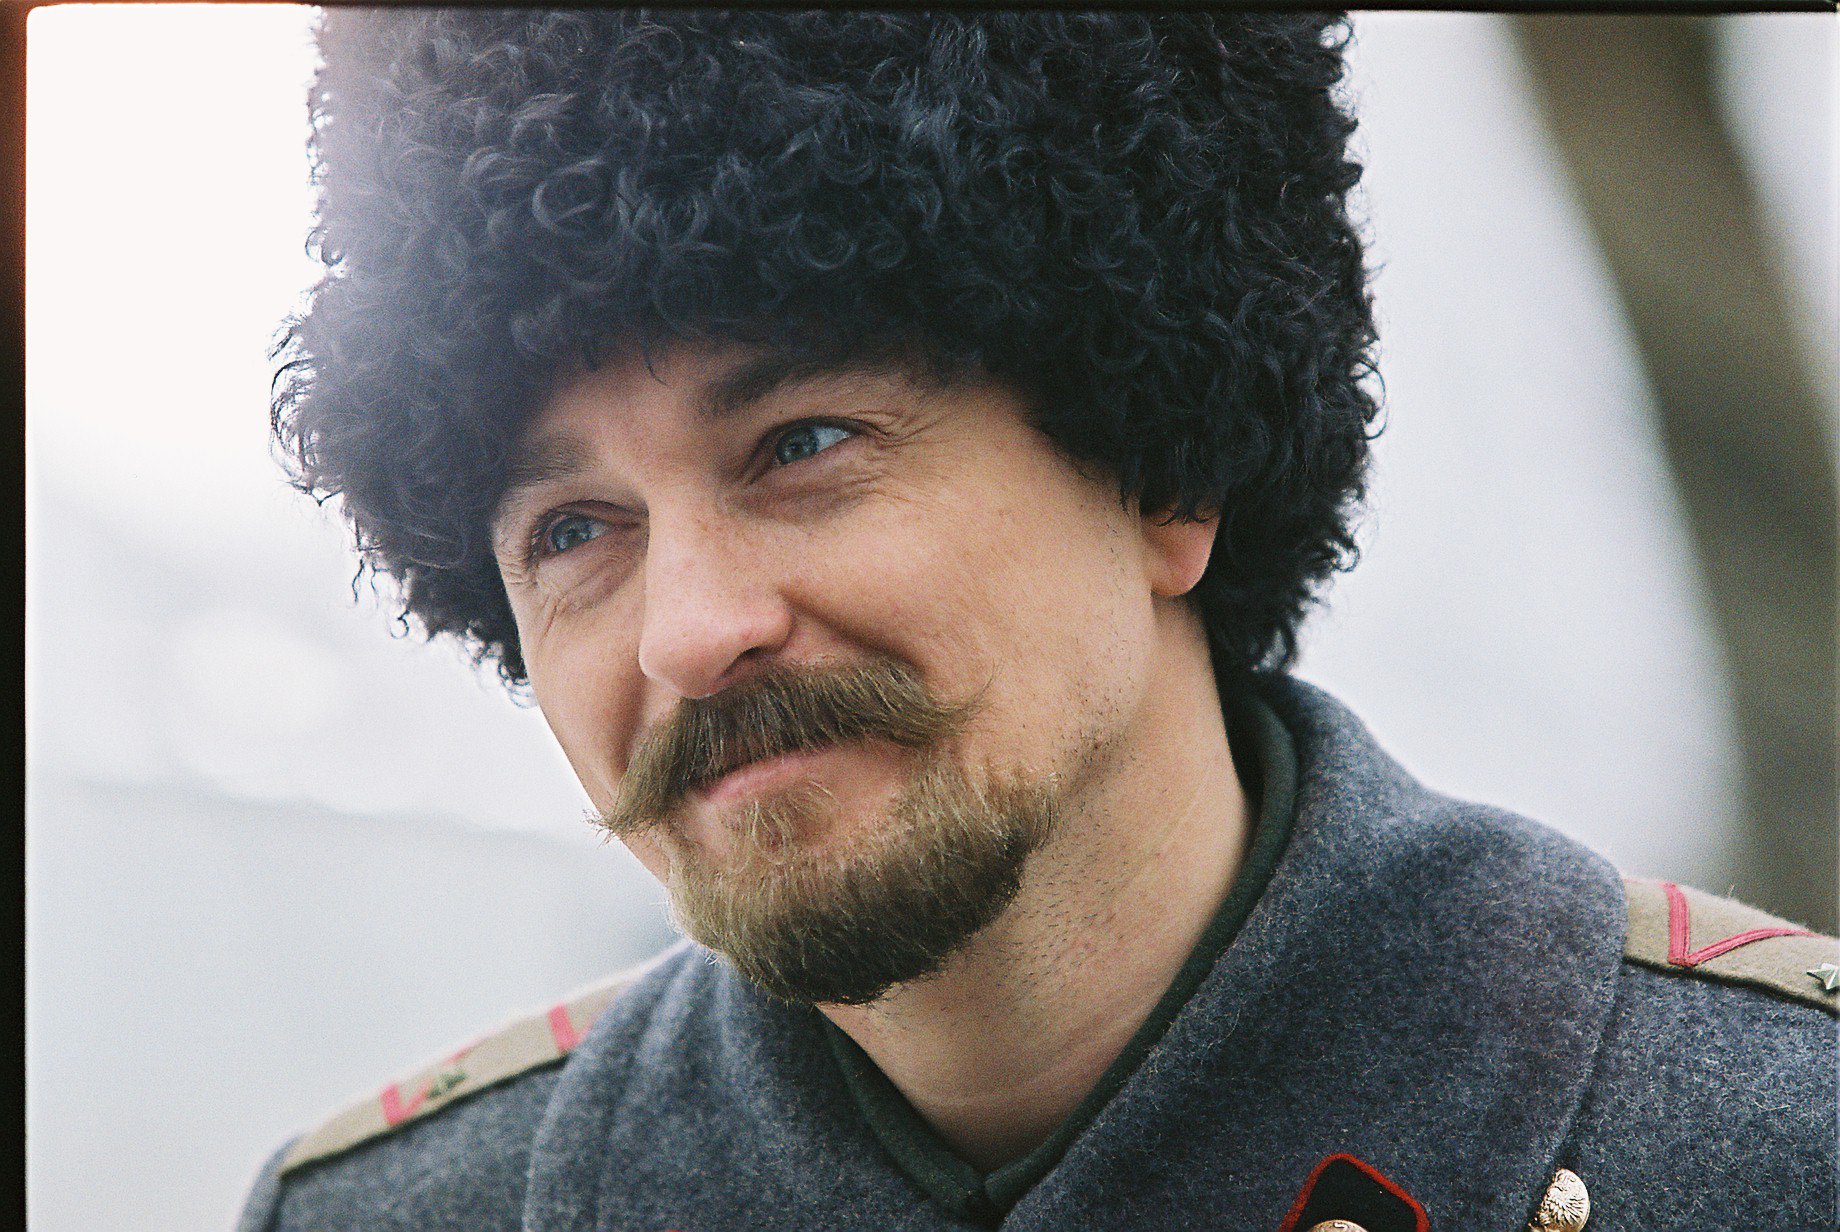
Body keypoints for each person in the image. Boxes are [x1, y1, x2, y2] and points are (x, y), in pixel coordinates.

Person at [238, 11, 1835, 1232]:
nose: (692, 631)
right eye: (575, 532)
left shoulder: (1781, 1149)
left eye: (802, 445)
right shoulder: (398, 1215)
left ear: (1163, 468)